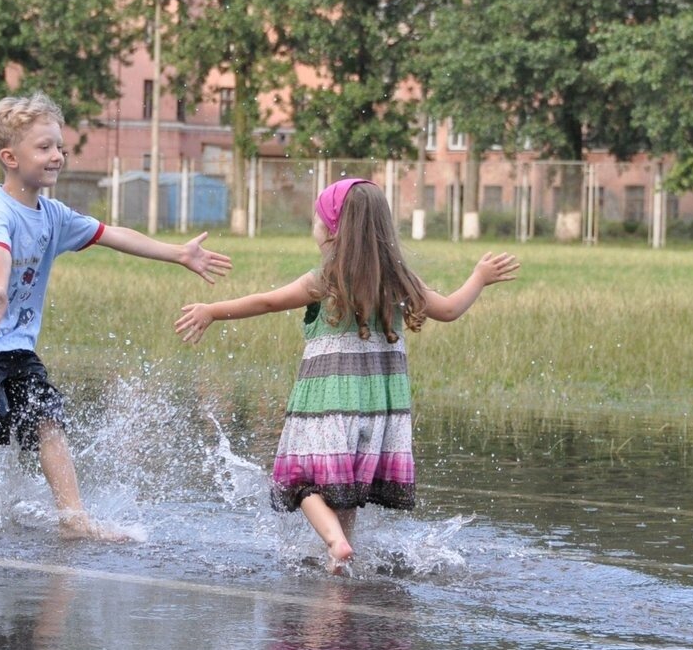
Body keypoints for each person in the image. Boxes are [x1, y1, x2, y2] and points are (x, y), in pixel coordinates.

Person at [0, 91, 232, 538]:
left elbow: (113, 234)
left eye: (59, 147)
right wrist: (0, 290)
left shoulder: (54, 215)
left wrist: (178, 253)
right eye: (44, 147)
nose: (57, 156)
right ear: (10, 157)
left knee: (48, 418)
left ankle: (73, 519)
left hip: (15, 343)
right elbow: (0, 251)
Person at [175, 178, 517, 570]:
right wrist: (479, 277)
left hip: (328, 404)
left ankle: (336, 543)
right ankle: (341, 557)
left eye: (317, 220)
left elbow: (267, 302)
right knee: (344, 487)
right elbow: (451, 309)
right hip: (377, 409)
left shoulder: (328, 278)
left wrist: (212, 311)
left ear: (332, 230)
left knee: (299, 480)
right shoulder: (399, 279)